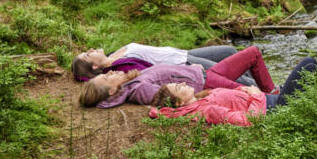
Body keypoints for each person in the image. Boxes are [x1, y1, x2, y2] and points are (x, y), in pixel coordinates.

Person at [78, 46, 278, 108]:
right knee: (253, 95)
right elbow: (170, 98)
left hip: (202, 73)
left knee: (253, 54)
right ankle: (278, 101)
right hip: (206, 81)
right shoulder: (138, 89)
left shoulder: (131, 81)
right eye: (106, 78)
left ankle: (275, 93)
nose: (110, 72)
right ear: (112, 91)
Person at [149, 57, 317, 126]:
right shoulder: (209, 110)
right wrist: (255, 95)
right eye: (179, 88)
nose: (184, 84)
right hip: (275, 108)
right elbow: (250, 121)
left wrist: (242, 89)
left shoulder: (201, 101)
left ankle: (312, 111)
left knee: (306, 75)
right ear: (179, 103)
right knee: (309, 64)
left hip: (269, 100)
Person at [71, 43, 253, 86]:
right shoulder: (121, 67)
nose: (91, 50)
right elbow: (155, 73)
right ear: (95, 67)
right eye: (88, 55)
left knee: (229, 52)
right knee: (239, 75)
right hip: (184, 63)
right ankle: (267, 96)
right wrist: (188, 70)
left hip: (183, 53)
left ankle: (263, 87)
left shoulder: (113, 55)